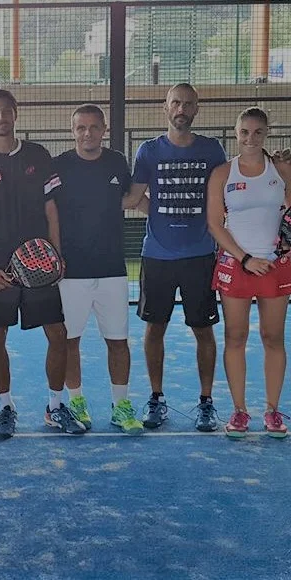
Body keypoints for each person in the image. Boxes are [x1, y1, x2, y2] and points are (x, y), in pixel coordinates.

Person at [0, 88, 84, 438]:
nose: (1, 118)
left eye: (6, 112)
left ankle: (55, 408)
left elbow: (51, 210)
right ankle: (6, 408)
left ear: (16, 114)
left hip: (41, 268)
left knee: (57, 335)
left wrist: (55, 257)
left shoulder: (38, 155)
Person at [127, 83, 227, 432]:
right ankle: (156, 398)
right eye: (175, 103)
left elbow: (230, 188)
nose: (181, 109)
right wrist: (151, 209)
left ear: (196, 109)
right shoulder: (149, 151)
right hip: (157, 256)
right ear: (165, 108)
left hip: (200, 255)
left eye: (187, 104)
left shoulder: (213, 150)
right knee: (155, 328)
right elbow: (132, 197)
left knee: (204, 329)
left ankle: (206, 402)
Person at [206, 107, 291, 438]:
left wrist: (287, 245)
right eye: (244, 132)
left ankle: (273, 411)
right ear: (236, 133)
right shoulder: (222, 173)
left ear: (267, 133)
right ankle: (239, 411)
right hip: (237, 266)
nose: (250, 138)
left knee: (273, 338)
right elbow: (215, 225)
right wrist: (245, 259)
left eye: (257, 132)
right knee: (235, 337)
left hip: (276, 266)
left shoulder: (283, 169)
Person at [53, 104, 147, 435]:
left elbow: (131, 198)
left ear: (104, 129)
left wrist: (169, 215)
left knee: (118, 341)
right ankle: (76, 401)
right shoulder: (59, 165)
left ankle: (121, 406)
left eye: (94, 127)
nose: (87, 133)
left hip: (111, 270)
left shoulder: (117, 162)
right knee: (69, 341)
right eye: (81, 127)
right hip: (70, 271)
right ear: (72, 130)